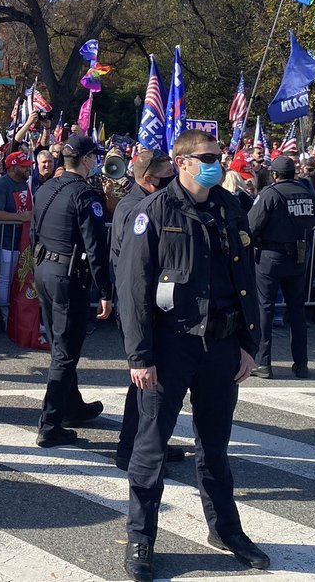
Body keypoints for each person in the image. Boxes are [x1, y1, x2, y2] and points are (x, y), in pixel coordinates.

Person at [117, 129, 264, 579]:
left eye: (218, 156)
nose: (217, 163)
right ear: (181, 163)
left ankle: (225, 529)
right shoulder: (153, 212)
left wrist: (248, 343)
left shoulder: (229, 207)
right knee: (151, 447)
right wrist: (140, 357)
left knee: (215, 446)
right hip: (170, 343)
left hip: (220, 345)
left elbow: (245, 280)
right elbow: (133, 289)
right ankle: (141, 538)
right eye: (207, 157)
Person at [31, 134, 113, 448]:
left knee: (61, 344)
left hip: (45, 270)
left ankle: (72, 406)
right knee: (65, 352)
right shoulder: (85, 194)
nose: (97, 162)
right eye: (95, 156)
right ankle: (49, 424)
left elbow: (35, 230)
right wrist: (106, 290)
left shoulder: (46, 187)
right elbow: (95, 246)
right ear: (87, 159)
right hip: (68, 276)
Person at [109, 149, 182, 472]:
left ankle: (153, 443)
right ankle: (130, 448)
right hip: (140, 305)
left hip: (157, 302)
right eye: (168, 174)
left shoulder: (152, 203)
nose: (173, 180)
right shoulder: (136, 209)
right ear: (149, 179)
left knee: (157, 379)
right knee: (146, 379)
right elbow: (134, 268)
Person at [248, 156, 315, 379]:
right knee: (297, 311)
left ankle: (263, 362)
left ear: (274, 175)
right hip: (298, 256)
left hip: (271, 256)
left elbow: (252, 225)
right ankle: (301, 363)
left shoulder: (270, 193)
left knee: (264, 308)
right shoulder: (306, 192)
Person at [0, 151, 33, 324]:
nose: (29, 168)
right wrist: (20, 217)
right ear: (13, 167)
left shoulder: (25, 183)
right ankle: (6, 317)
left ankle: (19, 314)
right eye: (24, 166)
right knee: (5, 279)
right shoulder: (1, 185)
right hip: (5, 241)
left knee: (19, 279)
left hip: (22, 240)